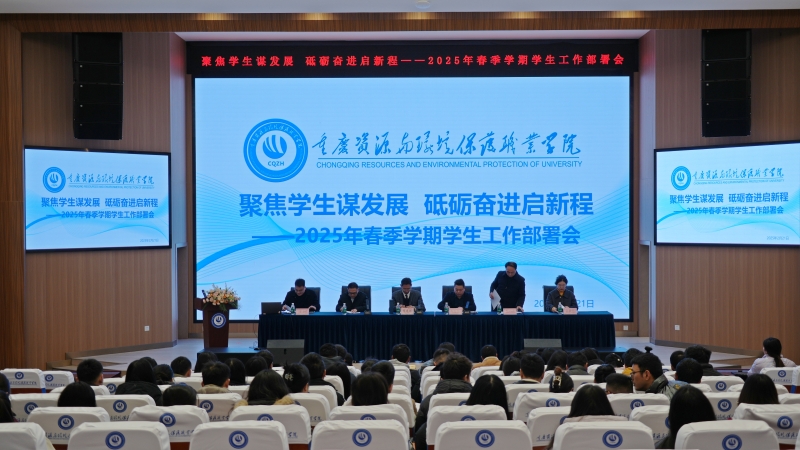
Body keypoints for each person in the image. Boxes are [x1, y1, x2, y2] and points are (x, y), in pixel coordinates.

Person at [414, 353, 473, 450]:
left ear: (442, 377)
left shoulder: (428, 401)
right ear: (466, 377)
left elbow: (419, 436)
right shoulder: (478, 401)